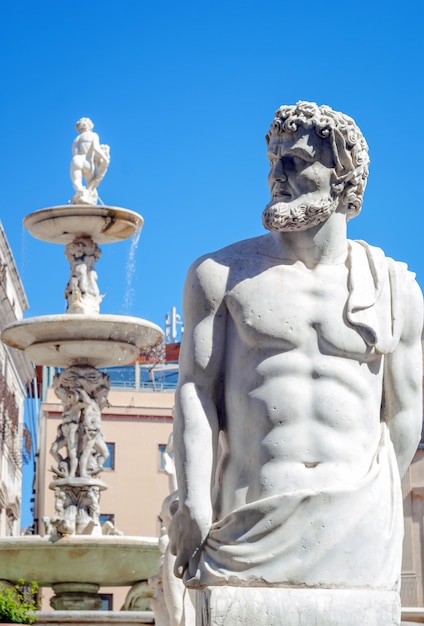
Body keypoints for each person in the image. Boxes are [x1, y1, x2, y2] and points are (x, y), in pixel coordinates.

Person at [169, 102, 423, 599]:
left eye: (296, 161)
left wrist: (372, 502)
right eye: (272, 160)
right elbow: (194, 393)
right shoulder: (220, 276)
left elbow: (405, 414)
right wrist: (194, 499)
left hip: (359, 524)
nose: (276, 175)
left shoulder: (395, 288)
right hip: (247, 523)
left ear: (343, 177)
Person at [70, 117, 110, 204]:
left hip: (76, 160)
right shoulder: (93, 135)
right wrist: (105, 158)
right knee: (91, 186)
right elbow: (96, 148)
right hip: (88, 162)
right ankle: (89, 197)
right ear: (90, 125)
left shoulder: (75, 140)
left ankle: (80, 191)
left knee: (77, 182)